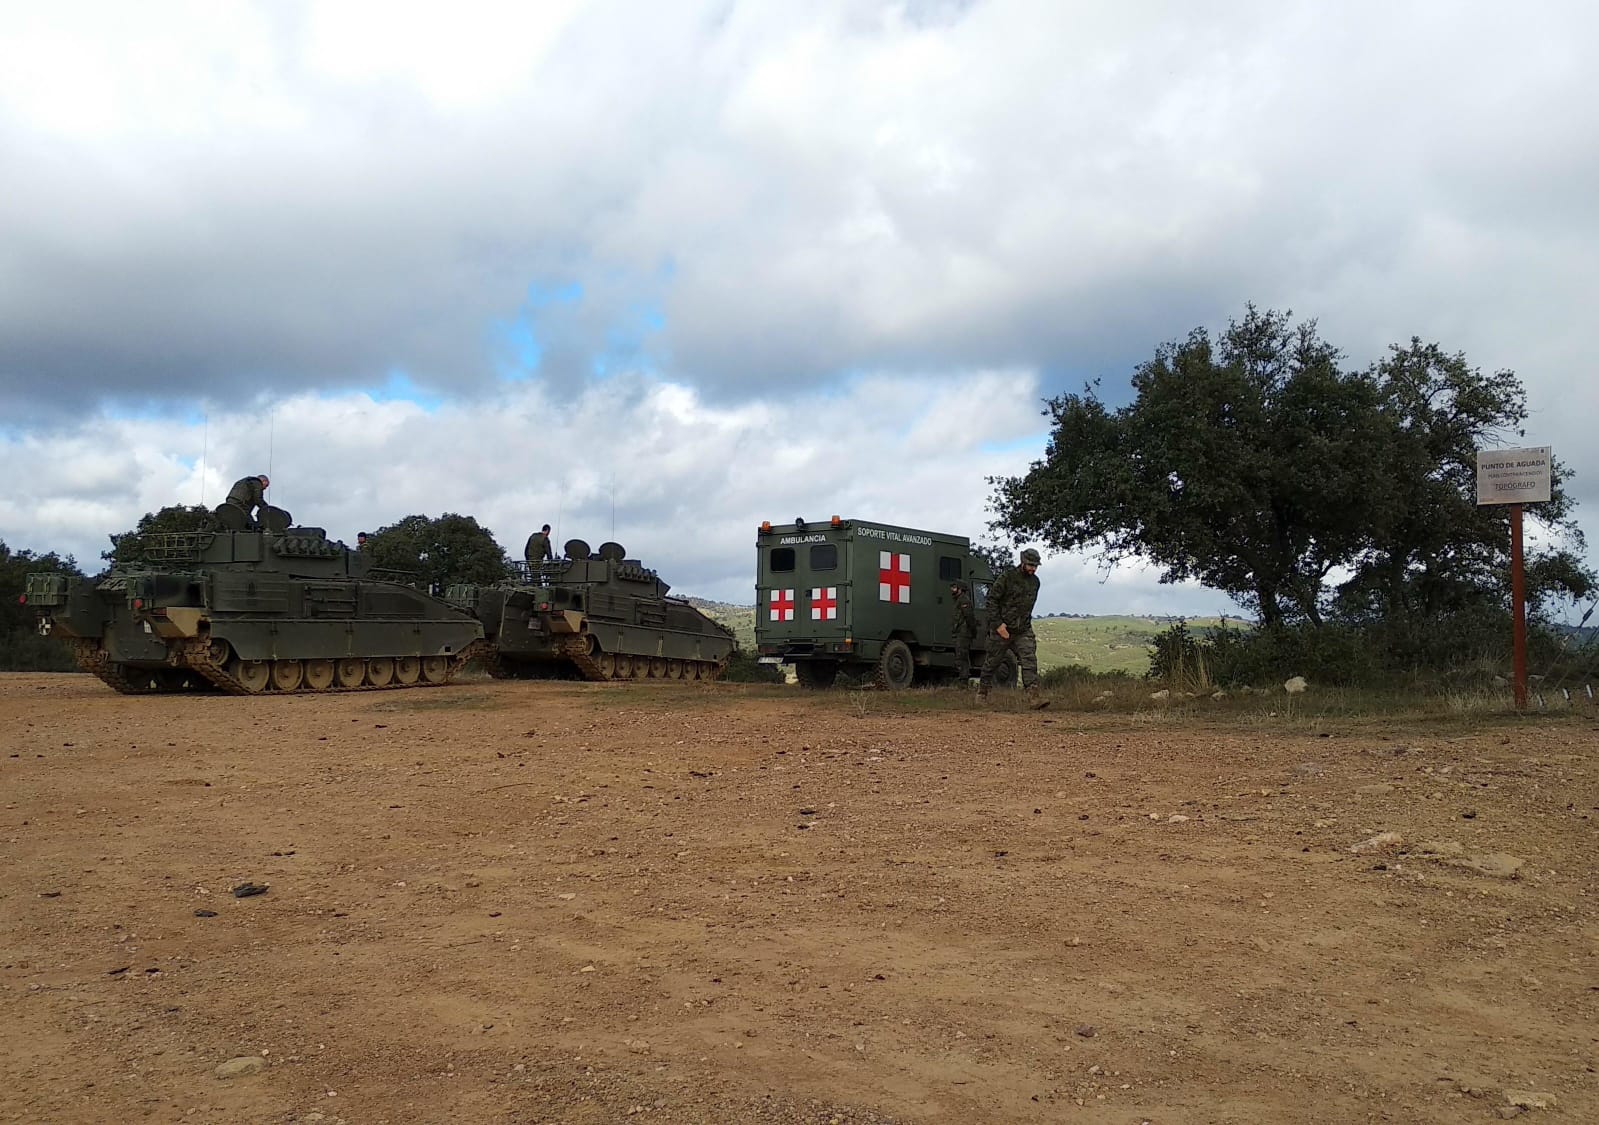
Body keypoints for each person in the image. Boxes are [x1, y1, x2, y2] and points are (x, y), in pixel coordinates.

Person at [978, 547, 1049, 709]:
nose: (1033, 568)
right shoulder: (1007, 578)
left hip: (1023, 629)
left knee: (1029, 659)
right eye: (1030, 565)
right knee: (993, 662)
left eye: (1035, 566)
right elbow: (991, 601)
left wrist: (1024, 625)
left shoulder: (1035, 583)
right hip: (1002, 628)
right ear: (1022, 562)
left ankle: (1033, 697)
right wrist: (998, 625)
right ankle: (982, 693)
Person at [950, 581, 976, 680]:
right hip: (959, 632)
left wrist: (972, 631)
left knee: (962, 657)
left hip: (964, 633)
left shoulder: (964, 600)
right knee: (960, 656)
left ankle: (963, 681)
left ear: (960, 589)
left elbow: (969, 617)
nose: (952, 589)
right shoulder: (958, 600)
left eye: (954, 587)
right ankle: (962, 679)